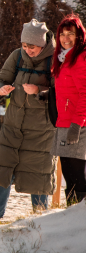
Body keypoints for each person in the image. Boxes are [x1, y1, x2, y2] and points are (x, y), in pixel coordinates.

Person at [0, 19, 56, 225]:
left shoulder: (54, 60)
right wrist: (0, 89)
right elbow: (0, 78)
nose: (28, 50)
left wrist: (39, 91)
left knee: (39, 174)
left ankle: (40, 220)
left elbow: (60, 92)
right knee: (3, 171)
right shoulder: (17, 56)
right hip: (13, 127)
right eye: (25, 45)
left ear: (42, 44)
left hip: (41, 131)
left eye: (32, 46)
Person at [49, 14, 86, 206]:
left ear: (79, 35)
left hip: (76, 125)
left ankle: (79, 221)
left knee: (78, 178)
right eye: (62, 34)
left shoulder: (80, 57)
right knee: (69, 177)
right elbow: (67, 89)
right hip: (64, 122)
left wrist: (76, 124)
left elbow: (85, 93)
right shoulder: (64, 59)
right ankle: (70, 220)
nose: (65, 38)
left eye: (70, 34)